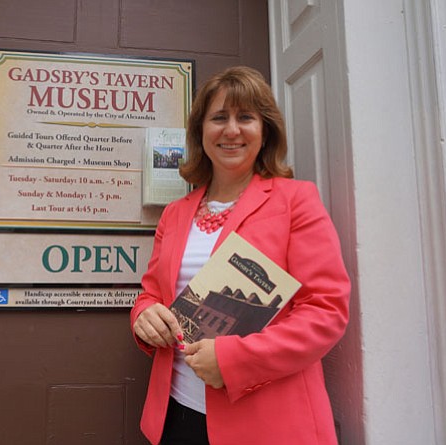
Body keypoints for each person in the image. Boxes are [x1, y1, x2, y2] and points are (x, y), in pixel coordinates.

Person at [130, 66, 350, 445]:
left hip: (266, 423)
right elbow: (151, 294)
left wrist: (235, 360)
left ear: (265, 131)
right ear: (201, 131)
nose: (231, 130)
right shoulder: (176, 213)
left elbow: (326, 312)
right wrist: (144, 315)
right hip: (176, 414)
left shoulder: (296, 201)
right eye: (219, 118)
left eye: (245, 117)